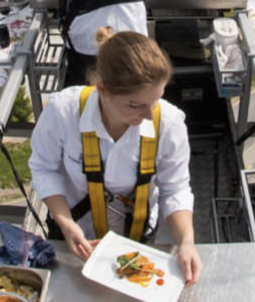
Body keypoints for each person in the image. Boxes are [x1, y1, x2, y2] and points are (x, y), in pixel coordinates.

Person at [29, 29, 202, 284]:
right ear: (102, 90)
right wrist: (66, 224)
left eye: (156, 100)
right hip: (77, 234)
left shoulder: (169, 122)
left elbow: (174, 188)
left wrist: (186, 241)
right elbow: (44, 168)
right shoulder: (63, 112)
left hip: (138, 235)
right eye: (135, 105)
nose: (148, 115)